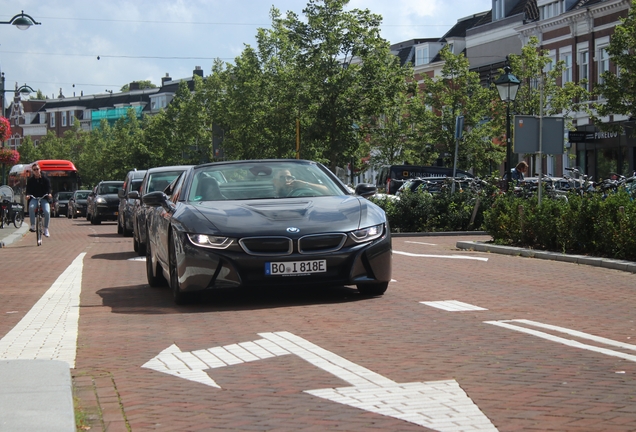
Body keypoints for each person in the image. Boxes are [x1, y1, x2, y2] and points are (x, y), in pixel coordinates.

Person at [25, 163, 52, 237]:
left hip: (43, 198)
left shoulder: (45, 179)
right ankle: (33, 225)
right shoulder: (30, 181)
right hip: (34, 198)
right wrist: (27, 195)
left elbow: (49, 188)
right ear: (32, 171)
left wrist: (49, 194)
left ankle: (46, 228)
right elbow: (28, 190)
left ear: (40, 170)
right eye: (34, 170)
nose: (36, 171)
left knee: (47, 211)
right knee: (31, 207)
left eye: (37, 169)